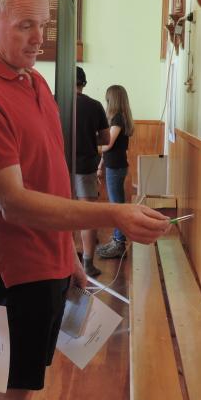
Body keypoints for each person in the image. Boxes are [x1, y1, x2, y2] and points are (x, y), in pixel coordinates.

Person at [0, 0, 169, 400]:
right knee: (2, 396)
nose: (38, 38)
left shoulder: (35, 82)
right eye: (25, 25)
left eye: (43, 25)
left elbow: (49, 178)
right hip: (9, 275)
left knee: (20, 391)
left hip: (45, 266)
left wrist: (66, 257)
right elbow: (14, 203)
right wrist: (115, 214)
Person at [74, 66, 109, 276]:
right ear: (83, 84)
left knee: (59, 214)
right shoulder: (95, 106)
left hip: (60, 167)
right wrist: (88, 139)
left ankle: (64, 262)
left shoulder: (54, 102)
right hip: (86, 166)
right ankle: (87, 263)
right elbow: (106, 139)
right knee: (88, 216)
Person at [97, 85, 135, 259]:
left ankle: (119, 243)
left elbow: (108, 143)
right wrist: (100, 165)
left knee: (117, 206)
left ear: (112, 100)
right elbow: (107, 148)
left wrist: (91, 147)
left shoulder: (118, 118)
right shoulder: (118, 118)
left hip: (117, 167)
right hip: (115, 166)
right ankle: (116, 240)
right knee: (116, 204)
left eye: (107, 99)